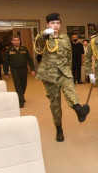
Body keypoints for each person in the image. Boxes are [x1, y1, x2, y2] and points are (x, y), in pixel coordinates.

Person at [34, 12, 90, 142]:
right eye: (53, 23)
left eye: (58, 23)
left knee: (70, 90)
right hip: (49, 75)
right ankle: (59, 129)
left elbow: (69, 56)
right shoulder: (44, 37)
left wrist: (69, 71)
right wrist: (44, 34)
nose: (56, 25)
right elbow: (38, 46)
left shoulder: (65, 38)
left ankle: (78, 109)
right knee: (55, 104)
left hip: (64, 72)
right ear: (48, 24)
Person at [4, 35, 35, 108]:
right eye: (14, 40)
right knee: (18, 85)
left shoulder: (24, 49)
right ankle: (20, 100)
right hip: (14, 70)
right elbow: (6, 62)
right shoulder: (9, 50)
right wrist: (6, 72)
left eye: (18, 40)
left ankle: (21, 96)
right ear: (11, 41)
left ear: (20, 40)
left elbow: (29, 59)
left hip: (24, 69)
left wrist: (33, 69)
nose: (16, 41)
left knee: (23, 84)